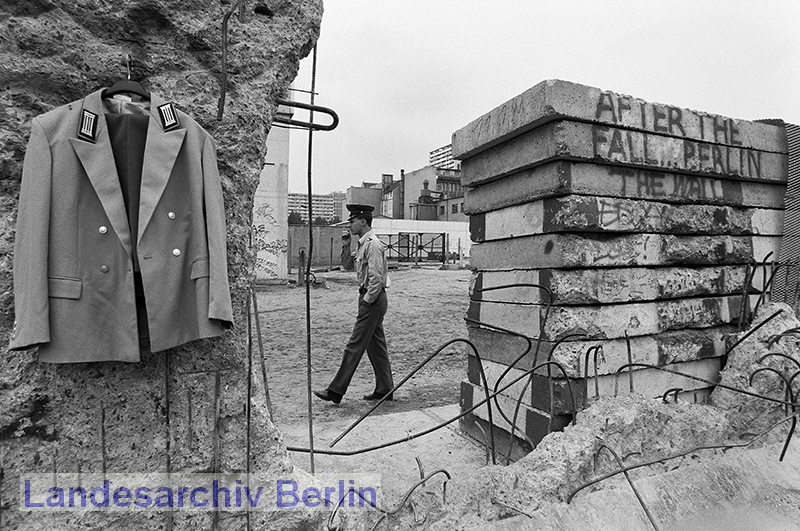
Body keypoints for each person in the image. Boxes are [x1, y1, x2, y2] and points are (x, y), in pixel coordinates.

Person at [314, 204, 394, 404]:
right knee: (376, 347)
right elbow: (347, 265)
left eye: (352, 221)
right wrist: (346, 245)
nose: (350, 224)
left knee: (355, 345)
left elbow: (376, 278)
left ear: (363, 221)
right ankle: (385, 389)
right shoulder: (362, 243)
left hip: (372, 298)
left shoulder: (373, 244)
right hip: (369, 298)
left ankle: (336, 391)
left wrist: (366, 302)